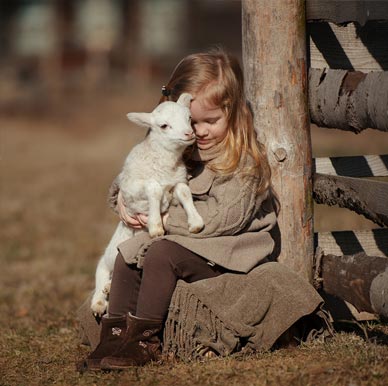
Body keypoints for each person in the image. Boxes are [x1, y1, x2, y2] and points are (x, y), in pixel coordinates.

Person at [79, 48, 332, 371]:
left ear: (234, 114)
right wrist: (125, 201)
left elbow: (218, 221)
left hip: (224, 256)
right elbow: (137, 173)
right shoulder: (178, 148)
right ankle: (114, 337)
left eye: (210, 121)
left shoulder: (243, 164)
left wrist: (167, 219)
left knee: (160, 254)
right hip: (184, 247)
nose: (198, 131)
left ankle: (144, 341)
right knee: (129, 252)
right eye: (191, 121)